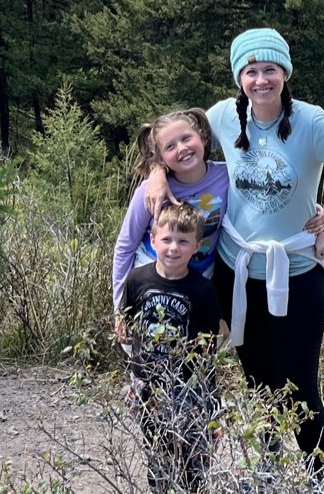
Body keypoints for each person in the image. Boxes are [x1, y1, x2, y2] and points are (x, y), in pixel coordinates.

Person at [146, 27, 324, 488]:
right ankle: (268, 472)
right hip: (235, 273)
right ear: (240, 77)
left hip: (297, 274)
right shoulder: (222, 116)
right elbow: (176, 142)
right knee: (258, 381)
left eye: (270, 69)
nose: (261, 80)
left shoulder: (312, 123)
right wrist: (158, 174)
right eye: (251, 71)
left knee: (300, 384)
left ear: (285, 73)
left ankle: (318, 479)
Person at [113, 107, 324, 313]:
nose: (181, 148)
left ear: (203, 138)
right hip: (154, 272)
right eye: (170, 147)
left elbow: (264, 195)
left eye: (186, 139)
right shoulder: (150, 191)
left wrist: (311, 210)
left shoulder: (227, 176)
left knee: (193, 341)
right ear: (160, 158)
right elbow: (125, 246)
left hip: (202, 275)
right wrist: (119, 309)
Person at [116, 202, 224, 494]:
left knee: (192, 457)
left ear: (196, 246)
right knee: (157, 453)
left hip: (186, 385)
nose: (173, 248)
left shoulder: (202, 290)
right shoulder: (137, 280)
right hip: (148, 383)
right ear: (153, 241)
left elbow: (209, 345)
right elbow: (127, 322)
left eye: (183, 241)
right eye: (166, 239)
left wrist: (209, 396)